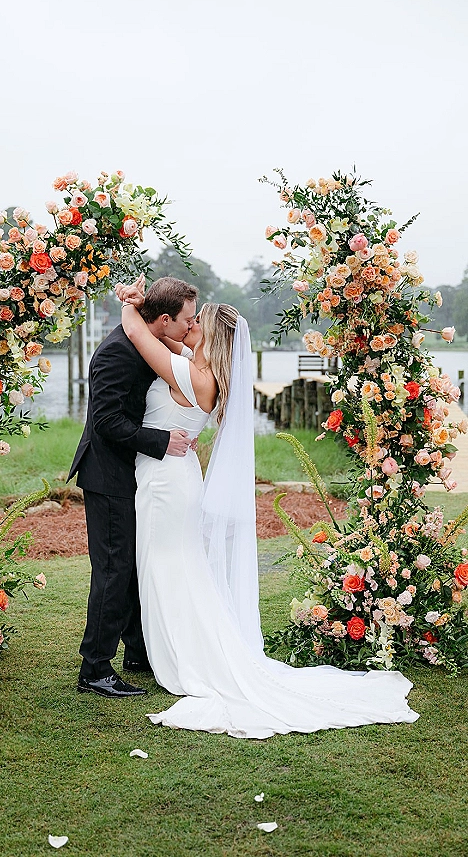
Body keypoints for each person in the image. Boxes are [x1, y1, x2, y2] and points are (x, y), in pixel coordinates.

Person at [115, 280, 419, 738]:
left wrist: (129, 304)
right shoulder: (195, 366)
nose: (189, 325)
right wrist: (158, 315)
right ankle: (173, 652)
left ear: (212, 337)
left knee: (165, 567)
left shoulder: (193, 375)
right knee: (173, 566)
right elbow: (166, 334)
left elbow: (139, 334)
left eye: (198, 321)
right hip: (172, 478)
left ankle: (183, 660)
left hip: (167, 485)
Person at [68, 277, 198, 698]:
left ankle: (139, 650)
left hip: (134, 474)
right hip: (108, 475)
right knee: (113, 568)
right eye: (185, 321)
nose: (188, 328)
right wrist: (161, 442)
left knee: (132, 565)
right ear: (163, 320)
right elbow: (105, 422)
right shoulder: (115, 354)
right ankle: (95, 668)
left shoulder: (143, 341)